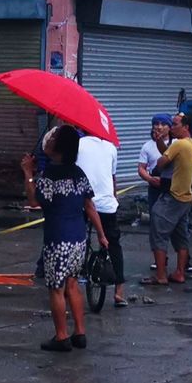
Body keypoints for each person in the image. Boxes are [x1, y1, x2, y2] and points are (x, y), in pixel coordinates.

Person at [21, 126, 108, 351]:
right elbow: (90, 206)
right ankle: (80, 333)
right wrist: (101, 234)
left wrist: (28, 174)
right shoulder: (78, 173)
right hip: (78, 237)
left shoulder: (49, 175)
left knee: (56, 288)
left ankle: (61, 336)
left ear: (57, 147)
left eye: (53, 138)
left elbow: (34, 202)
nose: (48, 141)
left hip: (57, 239)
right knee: (72, 285)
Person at [141, 112, 192, 285]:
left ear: (185, 127)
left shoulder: (179, 144)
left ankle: (160, 275)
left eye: (175, 124)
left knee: (158, 232)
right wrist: (159, 141)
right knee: (181, 236)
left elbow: (161, 162)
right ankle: (180, 272)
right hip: (186, 197)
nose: (171, 127)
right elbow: (167, 152)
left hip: (172, 196)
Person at [77, 131, 127, 307]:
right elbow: (112, 178)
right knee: (113, 244)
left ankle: (73, 278)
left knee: (76, 238)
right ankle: (119, 290)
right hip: (107, 204)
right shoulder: (111, 147)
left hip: (82, 202)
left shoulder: (78, 144)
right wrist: (114, 199)